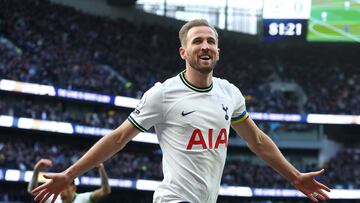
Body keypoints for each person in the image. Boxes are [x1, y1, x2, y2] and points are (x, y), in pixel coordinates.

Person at [32, 19, 331, 203]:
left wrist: (293, 176)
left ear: (218, 52)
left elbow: (258, 141)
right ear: (183, 52)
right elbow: (119, 137)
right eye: (197, 41)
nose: (205, 46)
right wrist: (70, 174)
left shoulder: (230, 93)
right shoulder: (162, 94)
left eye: (211, 41)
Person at [28, 159, 111, 203]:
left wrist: (101, 168)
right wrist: (36, 170)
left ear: (73, 189)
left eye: (64, 187)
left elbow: (105, 191)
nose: (60, 191)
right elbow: (33, 191)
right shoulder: (53, 199)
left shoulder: (84, 199)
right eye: (59, 187)